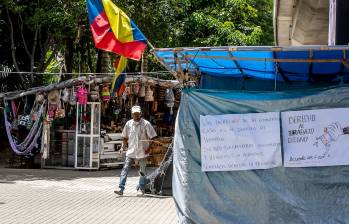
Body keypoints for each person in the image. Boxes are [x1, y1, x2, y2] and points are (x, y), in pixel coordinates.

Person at [114, 105, 157, 196]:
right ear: (132, 114)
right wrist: (122, 147)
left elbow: (153, 138)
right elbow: (125, 138)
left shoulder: (146, 124)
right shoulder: (128, 124)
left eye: (137, 113)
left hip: (142, 151)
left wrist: (148, 148)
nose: (136, 115)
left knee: (142, 171)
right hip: (131, 151)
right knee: (125, 169)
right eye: (134, 114)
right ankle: (121, 188)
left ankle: (141, 188)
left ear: (140, 113)